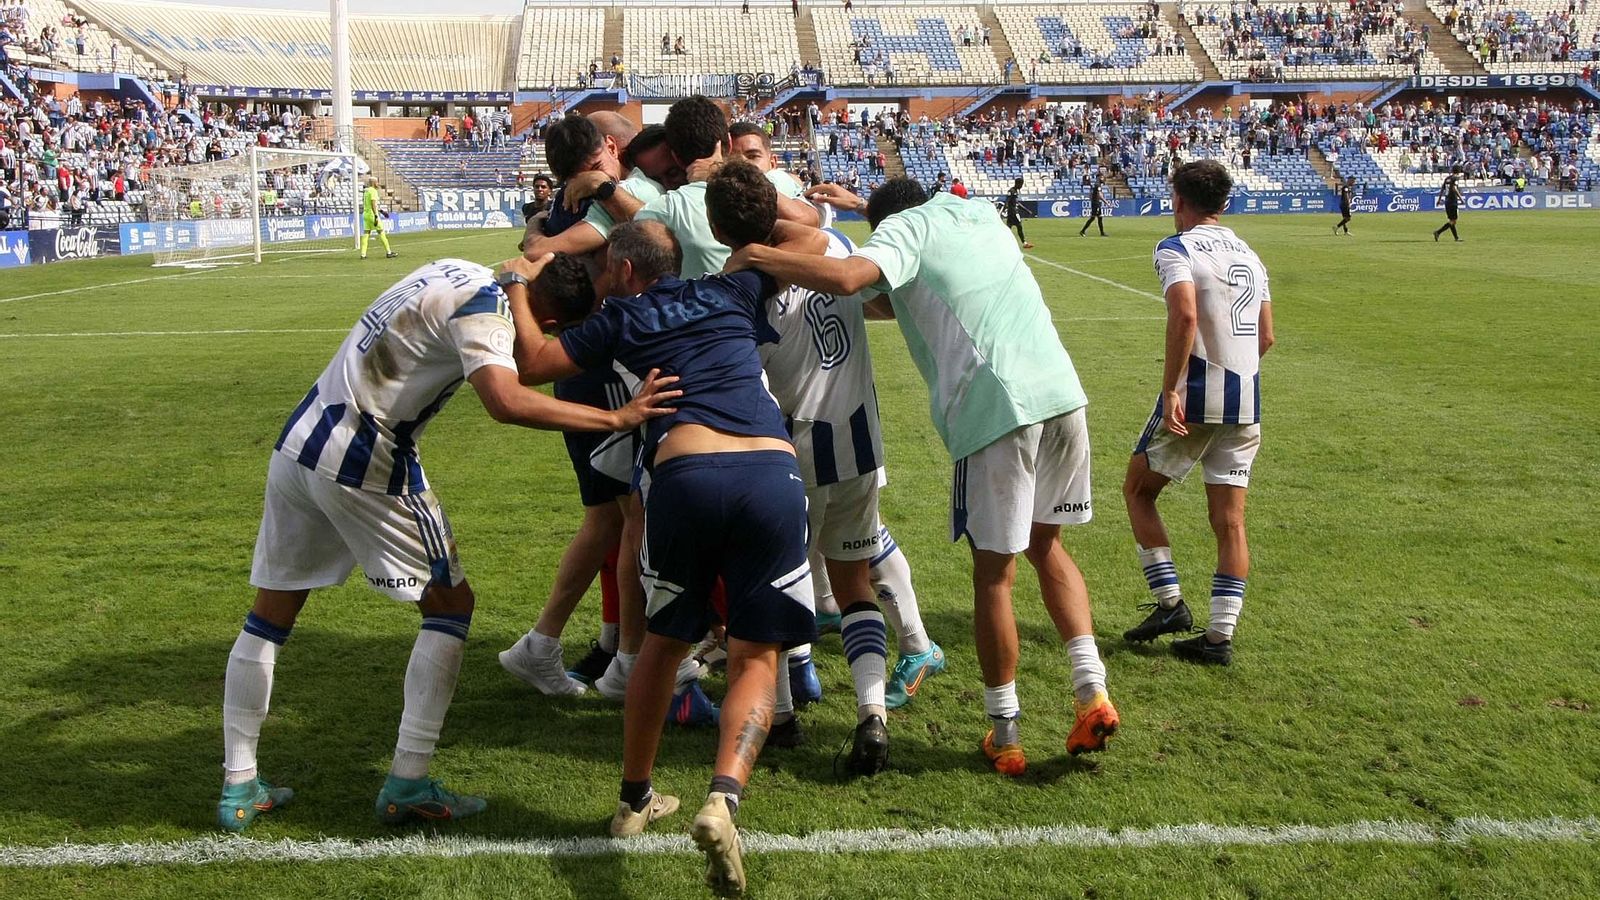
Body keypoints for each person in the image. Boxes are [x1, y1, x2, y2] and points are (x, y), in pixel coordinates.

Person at [217, 258, 678, 832]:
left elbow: (525, 265)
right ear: (551, 319)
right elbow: (506, 400)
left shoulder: (461, 267)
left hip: (301, 442)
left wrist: (525, 271)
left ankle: (239, 783)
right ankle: (408, 780)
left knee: (270, 614)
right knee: (451, 607)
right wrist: (616, 418)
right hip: (367, 456)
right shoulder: (489, 317)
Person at [729, 178, 1120, 777]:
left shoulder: (903, 231)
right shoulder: (976, 212)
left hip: (996, 408)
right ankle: (1092, 689)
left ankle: (1005, 732)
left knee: (994, 577)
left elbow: (850, 278)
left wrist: (756, 254)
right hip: (1062, 393)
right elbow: (897, 296)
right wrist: (863, 206)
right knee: (1049, 547)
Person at [508, 218, 816, 897]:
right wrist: (756, 249)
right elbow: (816, 243)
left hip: (685, 471)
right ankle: (722, 800)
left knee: (662, 644)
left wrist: (516, 284)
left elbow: (532, 364)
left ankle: (635, 799)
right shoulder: (734, 289)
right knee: (755, 654)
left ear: (621, 270)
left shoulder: (620, 316)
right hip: (771, 471)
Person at [1121, 160, 1274, 666]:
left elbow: (1185, 312)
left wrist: (1171, 390)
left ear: (1178, 201)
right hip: (1247, 398)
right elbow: (1267, 336)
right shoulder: (1250, 254)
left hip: (1199, 394)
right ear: (1223, 203)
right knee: (1230, 523)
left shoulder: (1176, 247)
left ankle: (1170, 605)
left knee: (1138, 491)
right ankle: (1218, 639)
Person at [359, 178, 395, 260]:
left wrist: (381, 211)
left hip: (365, 214)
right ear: (374, 183)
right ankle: (389, 252)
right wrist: (376, 215)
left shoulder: (366, 191)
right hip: (372, 214)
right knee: (381, 232)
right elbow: (373, 204)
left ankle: (363, 254)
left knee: (366, 233)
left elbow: (368, 204)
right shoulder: (373, 191)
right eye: (377, 182)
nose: (378, 184)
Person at [1434, 166, 1463, 242]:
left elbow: (1442, 189)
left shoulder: (1447, 178)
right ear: (1458, 171)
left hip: (1447, 201)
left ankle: (1456, 238)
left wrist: (1439, 200)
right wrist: (1461, 198)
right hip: (1453, 200)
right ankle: (1438, 232)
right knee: (1453, 221)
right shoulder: (1455, 178)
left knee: (1452, 220)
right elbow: (1454, 188)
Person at [1005, 176, 1032, 249]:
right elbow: (1007, 201)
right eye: (1021, 185)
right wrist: (1007, 208)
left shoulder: (1014, 191)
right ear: (1018, 184)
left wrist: (1026, 210)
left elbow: (1016, 203)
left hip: (1011, 212)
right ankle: (1024, 243)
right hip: (1013, 212)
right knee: (1019, 226)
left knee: (1008, 228)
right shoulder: (1012, 191)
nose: (1021, 186)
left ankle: (1003, 243)